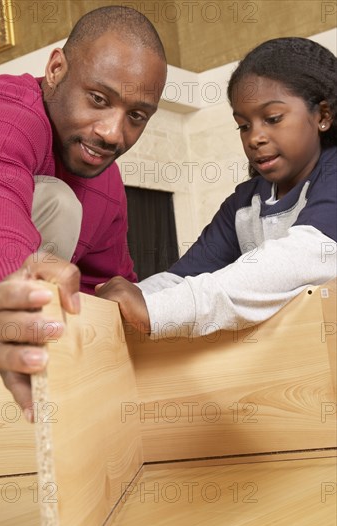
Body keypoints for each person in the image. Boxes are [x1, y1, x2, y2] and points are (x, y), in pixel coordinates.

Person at [0, 6, 167, 419]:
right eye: (98, 99)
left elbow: (98, 287)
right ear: (55, 70)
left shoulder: (105, 180)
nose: (112, 133)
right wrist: (7, 285)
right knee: (54, 203)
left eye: (136, 116)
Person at [97, 37, 337, 340]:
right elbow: (181, 277)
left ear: (323, 116)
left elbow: (299, 259)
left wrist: (157, 311)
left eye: (272, 118)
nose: (255, 138)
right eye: (244, 125)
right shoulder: (244, 203)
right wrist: (116, 305)